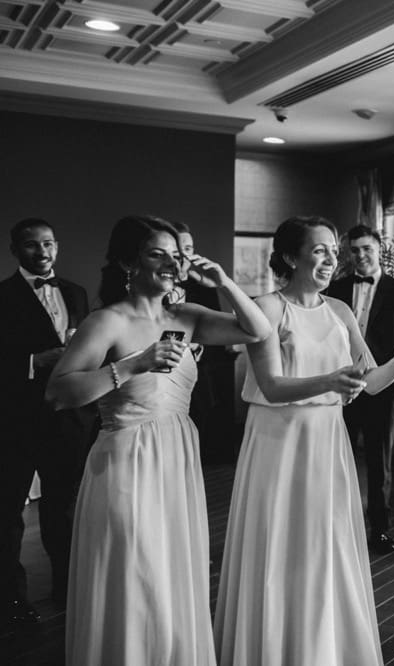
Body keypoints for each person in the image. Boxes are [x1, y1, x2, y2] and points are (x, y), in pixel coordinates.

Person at [45, 214, 271, 666]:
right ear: (128, 262)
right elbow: (58, 393)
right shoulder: (107, 321)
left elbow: (257, 331)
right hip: (126, 459)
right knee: (136, 569)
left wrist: (223, 282)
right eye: (157, 254)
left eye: (176, 255)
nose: (171, 263)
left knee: (170, 568)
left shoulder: (187, 316)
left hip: (177, 457)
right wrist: (132, 364)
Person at [213, 216, 394, 666]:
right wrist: (330, 382)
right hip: (279, 439)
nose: (332, 258)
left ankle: (321, 645)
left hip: (326, 440)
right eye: (319, 250)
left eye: (334, 250)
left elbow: (370, 382)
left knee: (323, 541)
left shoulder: (340, 311)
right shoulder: (268, 308)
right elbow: (272, 386)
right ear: (290, 256)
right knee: (279, 541)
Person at [0, 218, 94, 622]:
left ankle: (67, 590)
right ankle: (12, 600)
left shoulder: (76, 292)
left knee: (63, 508)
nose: (43, 252)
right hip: (16, 420)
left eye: (49, 243)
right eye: (32, 245)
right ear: (14, 250)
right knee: (8, 514)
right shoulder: (3, 296)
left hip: (67, 419)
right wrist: (34, 361)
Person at [324, 224, 394, 554]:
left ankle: (379, 530)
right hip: (342, 386)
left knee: (380, 464)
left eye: (367, 248)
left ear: (379, 249)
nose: (361, 255)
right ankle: (340, 526)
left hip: (385, 388)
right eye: (355, 250)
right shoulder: (335, 289)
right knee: (340, 458)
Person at [167, 220, 235, 462]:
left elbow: (218, 328)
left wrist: (199, 346)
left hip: (198, 371)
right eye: (179, 249)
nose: (185, 255)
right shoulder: (154, 286)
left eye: (189, 248)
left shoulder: (203, 286)